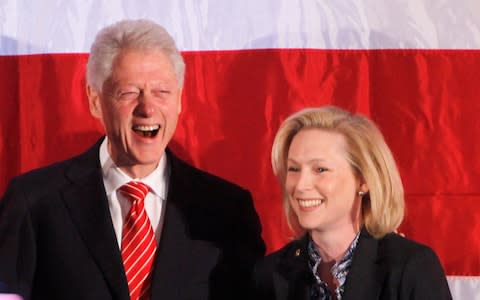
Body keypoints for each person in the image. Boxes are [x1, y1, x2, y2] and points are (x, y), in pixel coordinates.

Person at [0, 19, 265, 300]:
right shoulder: (34, 202)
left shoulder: (227, 210)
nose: (147, 108)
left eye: (161, 92)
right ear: (95, 100)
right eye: (129, 92)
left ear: (179, 100)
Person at [252, 106, 452, 300]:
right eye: (294, 169)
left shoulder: (410, 267)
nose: (301, 185)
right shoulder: (270, 274)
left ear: (364, 180)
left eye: (320, 169)